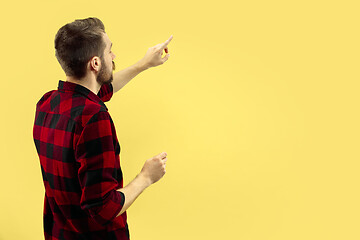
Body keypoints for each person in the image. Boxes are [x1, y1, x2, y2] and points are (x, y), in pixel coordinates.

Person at [32, 17, 173, 240]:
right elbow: (102, 208)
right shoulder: (94, 118)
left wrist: (143, 64)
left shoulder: (48, 104)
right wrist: (146, 177)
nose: (114, 56)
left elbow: (99, 90)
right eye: (110, 51)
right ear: (95, 63)